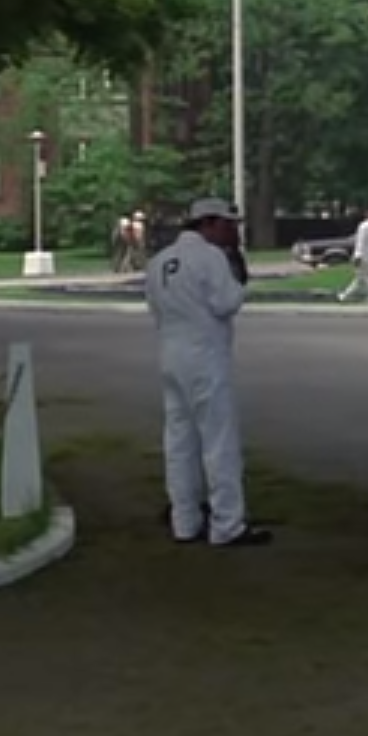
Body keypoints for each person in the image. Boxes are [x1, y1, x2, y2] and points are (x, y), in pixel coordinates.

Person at [143, 198, 269, 548]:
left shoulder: (159, 261)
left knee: (179, 441)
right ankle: (227, 523)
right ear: (209, 224)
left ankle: (185, 520)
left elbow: (154, 307)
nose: (233, 233)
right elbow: (226, 303)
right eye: (229, 225)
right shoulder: (210, 258)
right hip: (205, 355)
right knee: (218, 441)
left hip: (171, 352)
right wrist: (239, 281)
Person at [336, 207, 368, 304]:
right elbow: (360, 242)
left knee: (361, 279)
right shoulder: (364, 227)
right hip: (362, 258)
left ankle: (344, 296)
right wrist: (358, 256)